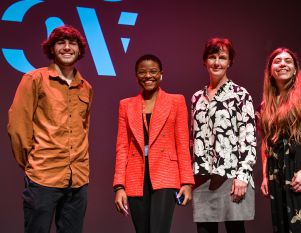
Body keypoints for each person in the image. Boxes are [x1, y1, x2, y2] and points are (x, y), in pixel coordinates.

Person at [7, 25, 92, 233]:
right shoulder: (34, 79)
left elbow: (84, 128)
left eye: (72, 43)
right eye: (60, 43)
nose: (66, 47)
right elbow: (18, 127)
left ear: (79, 50)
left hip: (78, 178)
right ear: (51, 49)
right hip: (43, 176)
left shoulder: (86, 87)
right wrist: (33, 164)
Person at [113, 54, 194, 233]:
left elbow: (182, 144)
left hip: (166, 174)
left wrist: (187, 182)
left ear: (161, 74)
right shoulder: (126, 105)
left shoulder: (176, 101)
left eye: (153, 71)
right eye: (142, 72)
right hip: (135, 176)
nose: (148, 76)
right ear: (136, 76)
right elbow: (122, 147)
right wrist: (119, 186)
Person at [256, 47, 301, 232]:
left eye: (288, 61)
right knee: (282, 225)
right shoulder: (265, 105)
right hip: (275, 171)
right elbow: (265, 142)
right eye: (278, 61)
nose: (283, 64)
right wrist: (265, 176)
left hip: (300, 165)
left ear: (295, 69)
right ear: (270, 70)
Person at [191, 38, 256, 233]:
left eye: (222, 57)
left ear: (229, 62)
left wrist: (243, 175)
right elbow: (193, 139)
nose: (217, 62)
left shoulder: (240, 94)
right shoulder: (197, 98)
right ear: (205, 61)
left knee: (235, 229)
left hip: (231, 176)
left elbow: (249, 137)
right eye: (212, 57)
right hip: (202, 177)